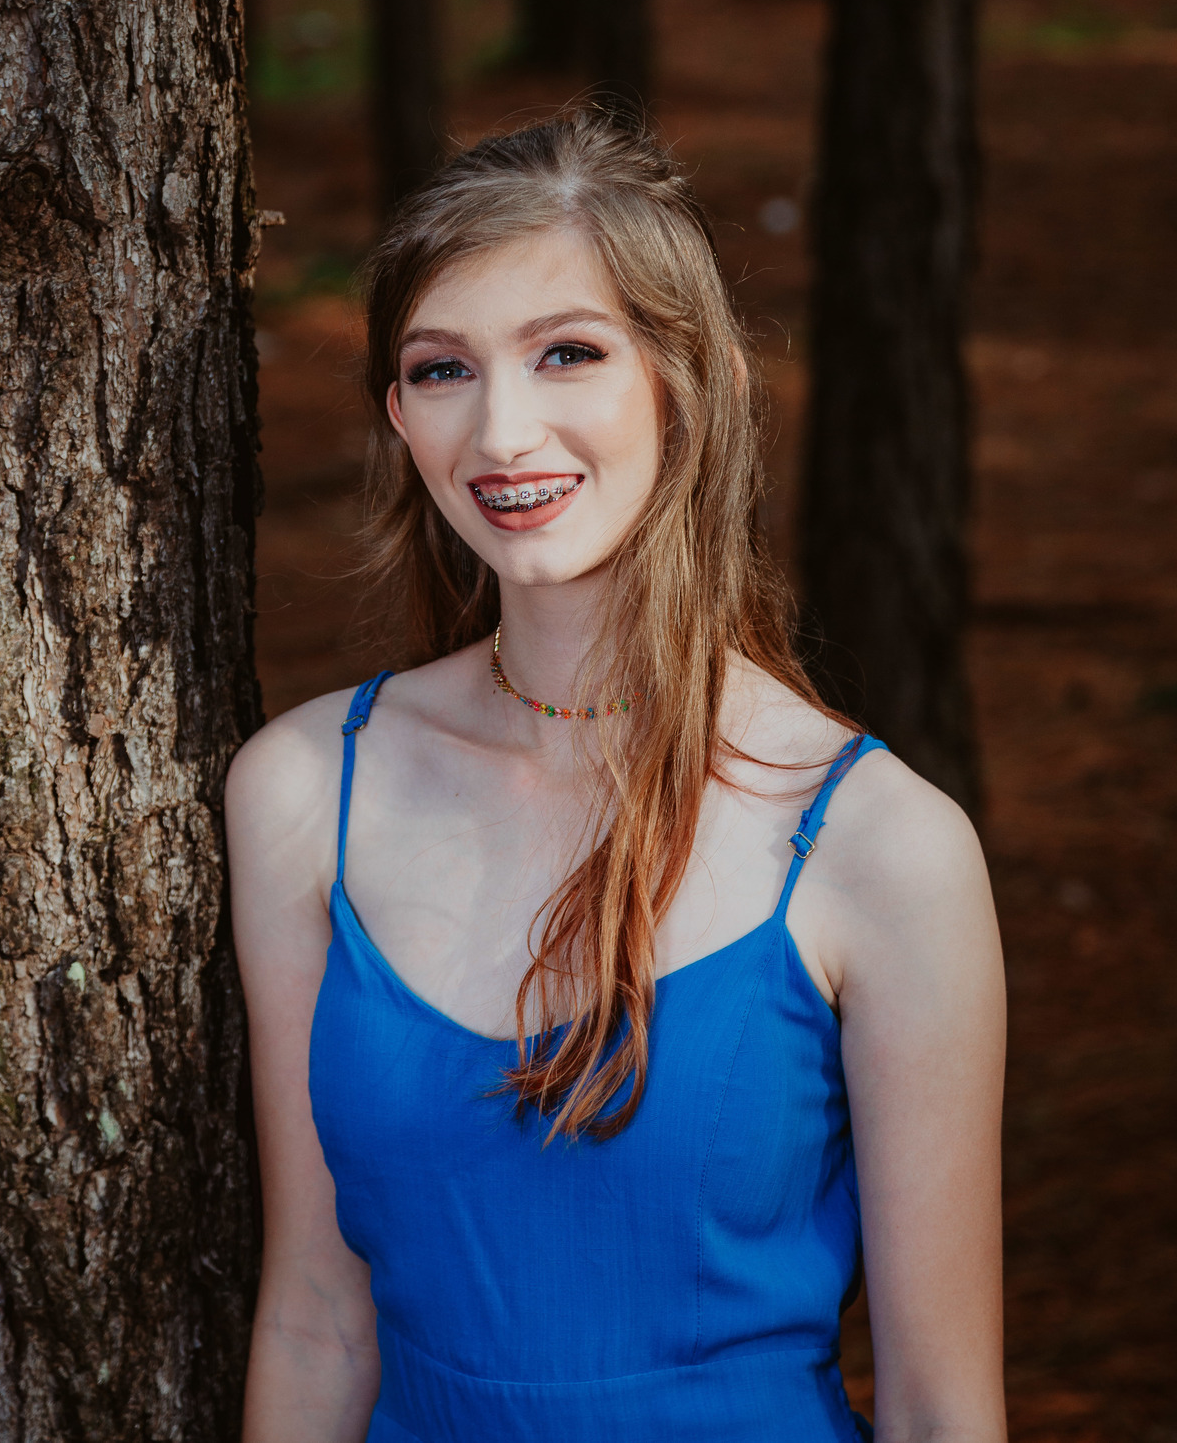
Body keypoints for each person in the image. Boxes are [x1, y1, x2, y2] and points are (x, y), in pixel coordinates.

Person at [226, 110, 1006, 1443]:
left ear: (686, 381)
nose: (502, 431)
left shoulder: (879, 846)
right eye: (441, 369)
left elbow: (940, 1408)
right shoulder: (304, 792)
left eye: (567, 353)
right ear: (400, 417)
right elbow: (316, 1316)